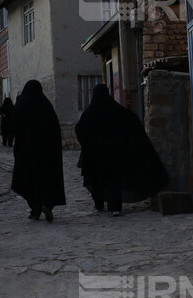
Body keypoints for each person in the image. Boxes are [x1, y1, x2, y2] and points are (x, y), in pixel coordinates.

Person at [74, 84, 169, 216]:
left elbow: (79, 130)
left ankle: (99, 204)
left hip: (95, 155)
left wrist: (88, 145)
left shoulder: (89, 113)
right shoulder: (118, 111)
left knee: (96, 178)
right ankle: (115, 208)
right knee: (114, 180)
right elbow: (132, 121)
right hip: (115, 154)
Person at [11, 80, 66, 222]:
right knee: (45, 179)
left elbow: (14, 126)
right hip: (45, 152)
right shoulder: (46, 106)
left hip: (26, 153)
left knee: (29, 180)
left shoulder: (21, 105)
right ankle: (46, 203)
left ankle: (35, 209)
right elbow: (55, 130)